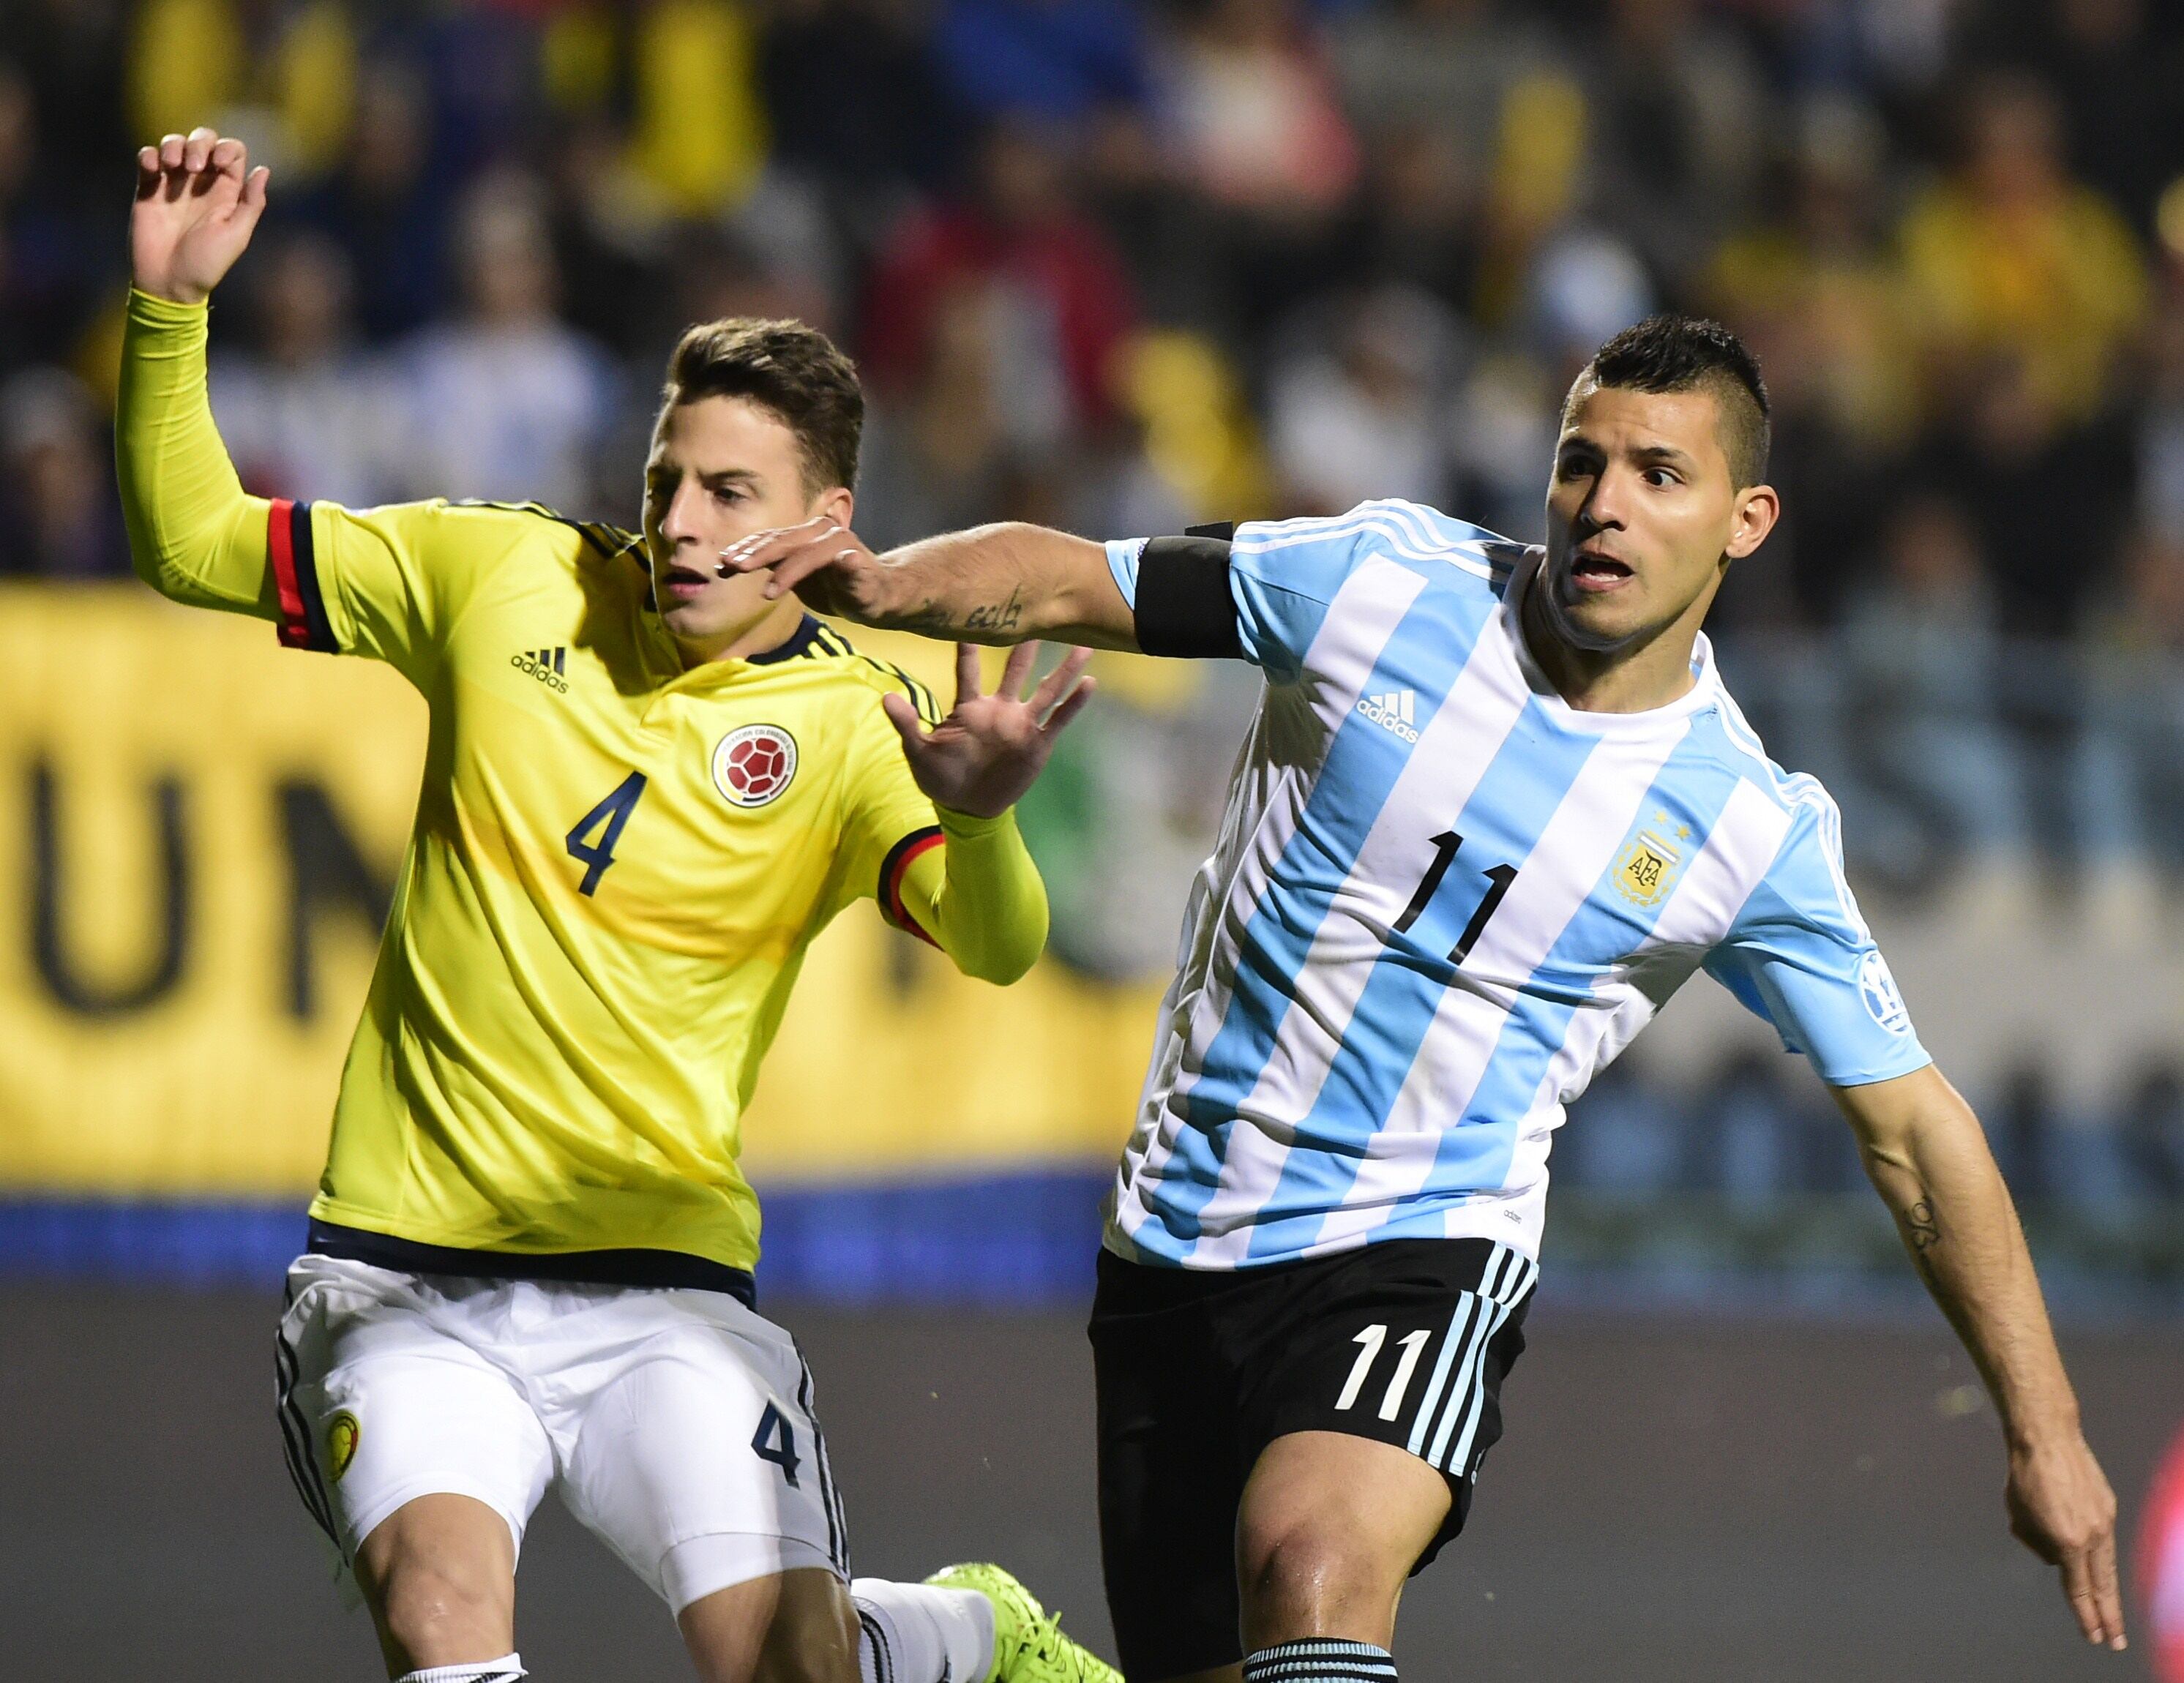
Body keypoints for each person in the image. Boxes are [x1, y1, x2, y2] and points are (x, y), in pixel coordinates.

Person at [722, 313, 2130, 1681]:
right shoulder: (1384, 582)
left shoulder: (1748, 826)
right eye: (1584, 462)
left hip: (1419, 1244)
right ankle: (999, 1655)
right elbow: (1077, 575)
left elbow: (1918, 1138)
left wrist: (2045, 1426)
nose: (1606, 507)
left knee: (1313, 1565)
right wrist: (888, 586)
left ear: (1745, 523)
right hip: (1174, 1237)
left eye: (1661, 476)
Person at [121, 128, 1116, 1683]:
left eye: (732, 491)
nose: (686, 520)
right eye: (669, 478)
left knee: (789, 1670)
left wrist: (977, 821)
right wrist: (171, 313)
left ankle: (965, 1631)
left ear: (827, 522)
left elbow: (999, 948)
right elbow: (191, 544)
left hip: (665, 1295)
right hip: (402, 1280)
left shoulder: (860, 726)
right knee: (444, 1625)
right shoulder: (500, 576)